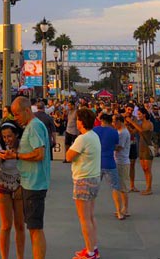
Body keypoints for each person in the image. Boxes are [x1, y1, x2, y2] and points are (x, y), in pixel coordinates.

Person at [1, 96, 50, 259]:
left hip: (34, 184)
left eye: (17, 114)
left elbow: (39, 154)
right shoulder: (34, 126)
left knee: (35, 229)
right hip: (33, 182)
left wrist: (16, 155)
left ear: (27, 110)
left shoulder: (34, 127)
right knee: (34, 228)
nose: (16, 118)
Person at [66, 108, 100, 259]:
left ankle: (90, 252)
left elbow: (68, 156)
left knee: (84, 218)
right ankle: (92, 247)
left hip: (83, 179)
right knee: (91, 216)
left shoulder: (82, 139)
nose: (76, 121)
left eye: (78, 119)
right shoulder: (94, 136)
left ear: (81, 121)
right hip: (93, 178)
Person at [0, 121, 25, 259]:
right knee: (6, 225)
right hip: (2, 185)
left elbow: (28, 169)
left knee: (20, 225)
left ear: (16, 134)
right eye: (4, 137)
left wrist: (21, 186)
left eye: (9, 136)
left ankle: (20, 256)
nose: (7, 140)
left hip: (19, 184)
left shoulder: (23, 147)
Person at [92, 113, 122, 219]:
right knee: (115, 187)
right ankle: (119, 211)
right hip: (109, 162)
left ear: (101, 120)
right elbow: (115, 146)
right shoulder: (114, 132)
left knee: (93, 188)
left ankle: (89, 211)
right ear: (110, 122)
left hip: (97, 163)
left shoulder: (95, 130)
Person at [128, 110, 154, 195]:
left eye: (139, 114)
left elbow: (142, 131)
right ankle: (147, 187)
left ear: (144, 114)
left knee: (148, 168)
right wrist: (127, 125)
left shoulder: (149, 124)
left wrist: (132, 122)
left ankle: (149, 188)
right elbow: (132, 132)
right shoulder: (140, 124)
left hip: (147, 147)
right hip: (141, 146)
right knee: (144, 168)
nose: (138, 116)